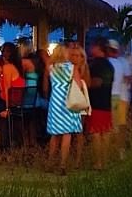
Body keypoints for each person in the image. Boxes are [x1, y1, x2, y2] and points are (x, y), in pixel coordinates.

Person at [45, 42, 87, 171]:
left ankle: (50, 163)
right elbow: (79, 84)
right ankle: (63, 164)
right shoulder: (72, 67)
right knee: (66, 133)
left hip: (55, 101)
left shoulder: (51, 67)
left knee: (54, 134)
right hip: (68, 101)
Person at [84, 38, 114, 167]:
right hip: (107, 102)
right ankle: (105, 160)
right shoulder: (109, 65)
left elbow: (95, 82)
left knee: (96, 133)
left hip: (96, 102)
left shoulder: (95, 65)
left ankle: (98, 162)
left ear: (98, 48)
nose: (90, 49)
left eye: (92, 46)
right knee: (105, 132)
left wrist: (84, 82)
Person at [108, 39, 132, 132]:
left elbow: (129, 78)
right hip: (122, 97)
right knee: (119, 125)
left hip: (117, 97)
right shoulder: (122, 61)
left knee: (114, 125)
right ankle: (119, 145)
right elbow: (129, 78)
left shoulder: (117, 62)